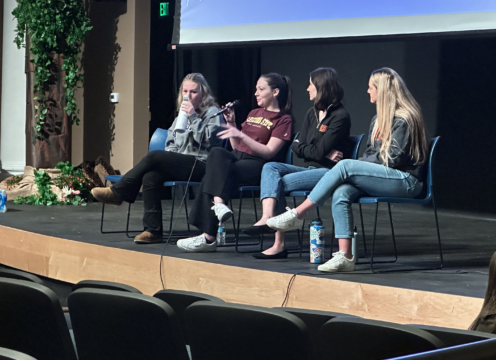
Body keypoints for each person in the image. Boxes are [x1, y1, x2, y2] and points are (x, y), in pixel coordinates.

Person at [267, 67, 427, 273]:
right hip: (382, 176)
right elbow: (371, 153)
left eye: (371, 88)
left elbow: (393, 159)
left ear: (383, 90)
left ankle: (299, 214)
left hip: (405, 180)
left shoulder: (404, 118)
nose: (367, 91)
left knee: (345, 165)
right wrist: (361, 166)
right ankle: (346, 256)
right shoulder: (377, 120)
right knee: (342, 192)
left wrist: (358, 167)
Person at [91, 73, 222, 244]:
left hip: (203, 165)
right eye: (185, 91)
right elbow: (172, 141)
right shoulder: (180, 116)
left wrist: (193, 117)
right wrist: (172, 153)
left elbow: (208, 141)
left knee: (155, 156)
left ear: (203, 93)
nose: (188, 96)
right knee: (150, 176)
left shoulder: (213, 113)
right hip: (181, 163)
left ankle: (119, 192)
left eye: (194, 92)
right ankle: (153, 230)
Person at [176, 73, 293, 253]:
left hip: (259, 165)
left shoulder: (283, 119)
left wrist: (241, 134)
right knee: (216, 152)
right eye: (256, 89)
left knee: (212, 176)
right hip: (238, 158)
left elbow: (270, 152)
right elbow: (237, 145)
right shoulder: (254, 113)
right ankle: (219, 205)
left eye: (261, 89)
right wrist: (232, 124)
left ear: (275, 92)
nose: (256, 93)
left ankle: (208, 236)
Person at [244, 68, 351, 259]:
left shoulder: (340, 116)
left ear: (321, 87)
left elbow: (312, 149)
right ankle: (267, 217)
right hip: (309, 168)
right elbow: (296, 146)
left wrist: (317, 151)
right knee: (271, 167)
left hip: (328, 173)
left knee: (277, 183)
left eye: (311, 84)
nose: (307, 88)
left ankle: (279, 244)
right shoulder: (312, 113)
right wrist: (323, 152)